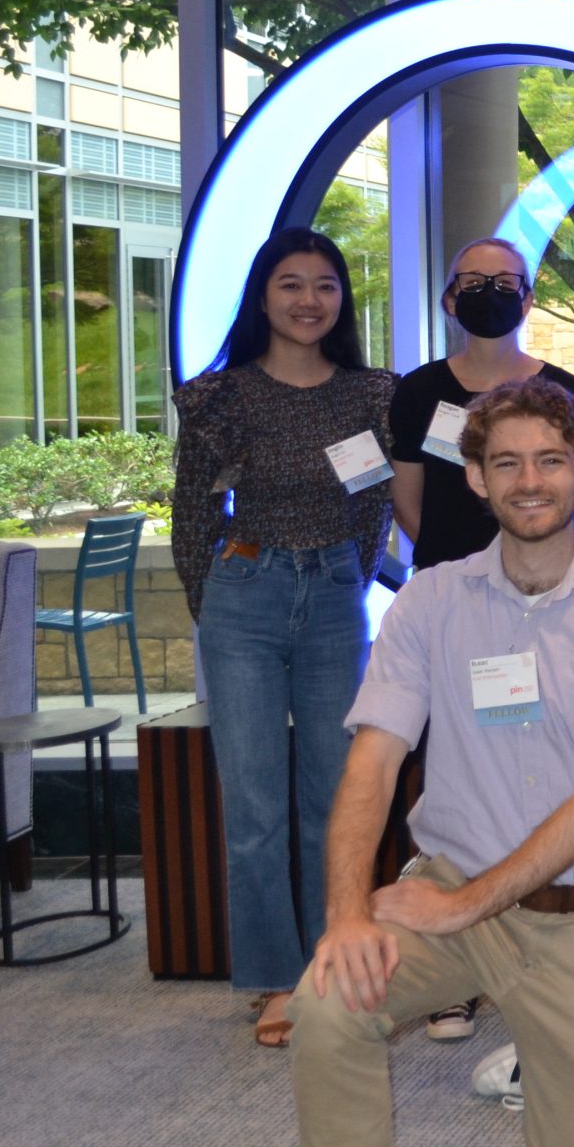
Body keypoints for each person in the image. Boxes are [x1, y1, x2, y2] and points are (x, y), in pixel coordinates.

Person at [289, 377, 574, 1147]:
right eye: (506, 461)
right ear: (474, 477)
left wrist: (462, 903)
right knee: (329, 1003)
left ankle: (528, 1060)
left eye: (551, 459)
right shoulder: (428, 602)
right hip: (451, 883)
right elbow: (372, 769)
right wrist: (346, 914)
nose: (529, 479)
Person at [172, 227, 397, 1051]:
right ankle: (272, 975)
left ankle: (328, 961)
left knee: (337, 795)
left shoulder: (371, 393)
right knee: (257, 803)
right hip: (245, 595)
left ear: (341, 300)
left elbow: (375, 503)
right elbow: (192, 513)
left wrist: (348, 573)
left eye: (326, 285)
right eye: (291, 284)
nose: (310, 300)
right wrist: (218, 600)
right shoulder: (220, 396)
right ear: (263, 295)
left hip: (337, 596)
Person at [387, 234, 574, 1045]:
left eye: (505, 282)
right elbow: (408, 502)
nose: (489, 293)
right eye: (473, 281)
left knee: (543, 765)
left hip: (546, 603)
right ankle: (456, 967)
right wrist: (465, 573)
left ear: (529, 297)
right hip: (456, 604)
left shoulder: (564, 388)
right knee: (459, 778)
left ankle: (542, 951)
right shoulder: (418, 392)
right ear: (448, 298)